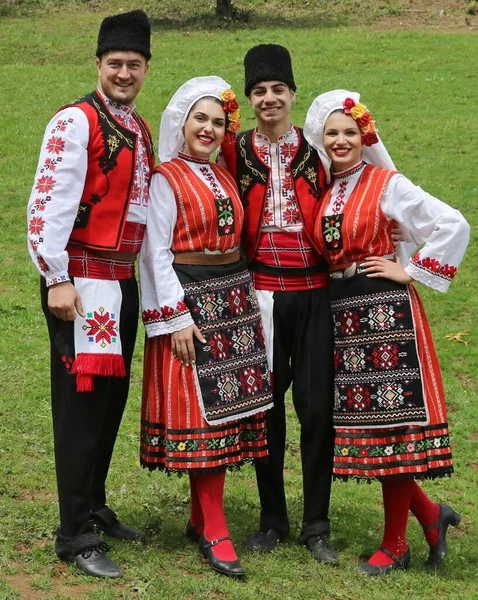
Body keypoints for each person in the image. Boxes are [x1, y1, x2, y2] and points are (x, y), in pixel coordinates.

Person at [303, 89, 470, 575]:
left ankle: (396, 543)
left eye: (349, 133)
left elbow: (452, 223)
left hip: (385, 313)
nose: (340, 140)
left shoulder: (386, 182)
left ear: (364, 136)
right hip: (344, 313)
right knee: (377, 431)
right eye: (332, 133)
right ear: (321, 138)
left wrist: (410, 271)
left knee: (394, 430)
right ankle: (431, 516)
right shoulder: (324, 187)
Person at [26, 10, 154, 578]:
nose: (124, 73)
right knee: (80, 407)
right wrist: (55, 277)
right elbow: (46, 202)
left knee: (108, 403)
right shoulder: (75, 122)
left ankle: (94, 503)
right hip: (78, 280)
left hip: (119, 279)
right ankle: (73, 533)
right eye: (115, 64)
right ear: (98, 65)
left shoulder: (139, 128)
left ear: (146, 68)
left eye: (134, 64)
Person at [139, 76, 273, 579]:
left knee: (227, 415)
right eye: (201, 118)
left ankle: (200, 517)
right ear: (182, 121)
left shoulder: (221, 174)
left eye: (218, 122)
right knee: (203, 419)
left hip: (232, 299)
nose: (210, 129)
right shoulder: (165, 178)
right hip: (191, 304)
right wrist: (173, 316)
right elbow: (154, 253)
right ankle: (216, 527)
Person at [219, 44, 338, 562]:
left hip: (314, 293)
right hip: (259, 293)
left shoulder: (319, 150)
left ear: (293, 94)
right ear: (250, 99)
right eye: (260, 91)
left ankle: (317, 523)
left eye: (278, 90)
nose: (270, 98)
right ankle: (272, 517)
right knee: (265, 406)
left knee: (316, 409)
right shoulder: (233, 148)